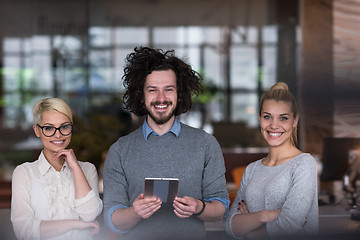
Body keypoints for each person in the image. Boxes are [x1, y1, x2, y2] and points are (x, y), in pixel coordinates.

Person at [103, 46, 230, 240]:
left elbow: (220, 207)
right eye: (152, 90)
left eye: (168, 90)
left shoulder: (205, 144)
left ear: (179, 94)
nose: (161, 99)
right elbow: (113, 219)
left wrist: (199, 207)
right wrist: (135, 212)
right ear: (141, 95)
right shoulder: (120, 150)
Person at [225, 82, 319, 239]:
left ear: (295, 121)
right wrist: (265, 216)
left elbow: (289, 225)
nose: (274, 125)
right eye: (267, 117)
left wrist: (249, 230)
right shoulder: (251, 170)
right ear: (260, 118)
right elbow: (230, 225)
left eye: (283, 118)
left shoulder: (303, 163)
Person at [11, 98, 103, 240]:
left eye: (65, 126)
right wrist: (75, 224)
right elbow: (24, 231)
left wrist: (75, 168)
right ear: (37, 130)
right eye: (48, 128)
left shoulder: (87, 169)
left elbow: (90, 214)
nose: (58, 134)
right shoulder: (24, 173)